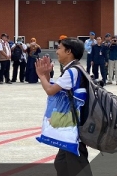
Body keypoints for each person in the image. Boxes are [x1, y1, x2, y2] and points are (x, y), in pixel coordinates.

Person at [35, 38, 92, 176]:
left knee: (77, 166)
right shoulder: (73, 68)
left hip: (74, 128)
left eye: (59, 48)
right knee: (61, 163)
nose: (57, 51)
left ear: (69, 51)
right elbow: (55, 88)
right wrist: (47, 74)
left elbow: (50, 90)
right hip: (70, 126)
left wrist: (41, 75)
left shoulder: (72, 71)